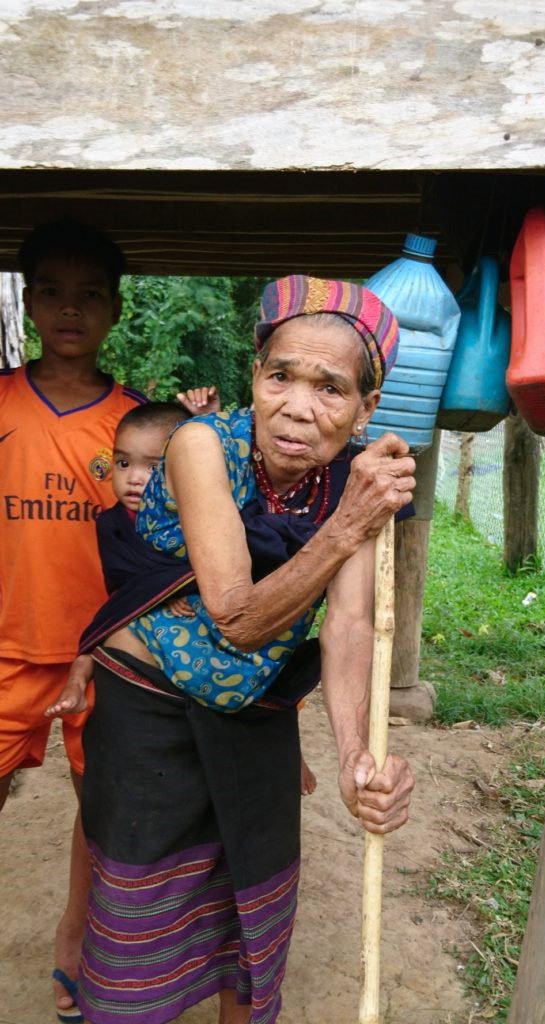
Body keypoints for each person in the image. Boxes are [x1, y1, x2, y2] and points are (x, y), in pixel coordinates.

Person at [75, 275, 417, 1024]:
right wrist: (348, 524)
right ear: (253, 377)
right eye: (280, 377)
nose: (297, 406)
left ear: (366, 409)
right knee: (141, 889)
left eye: (330, 388)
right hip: (149, 704)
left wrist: (355, 757)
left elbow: (350, 622)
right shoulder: (201, 445)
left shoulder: (355, 482)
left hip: (255, 705)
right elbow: (236, 616)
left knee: (254, 886)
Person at [0, 218, 153, 1021]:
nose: (70, 309)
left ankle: (74, 941)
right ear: (28, 302)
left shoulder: (137, 428)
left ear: (115, 309)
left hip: (107, 657)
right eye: (53, 292)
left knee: (103, 809)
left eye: (89, 295)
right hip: (6, 648)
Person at [47, 396, 318, 797]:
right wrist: (162, 593)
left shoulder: (203, 504)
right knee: (99, 634)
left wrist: (186, 585)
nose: (135, 478)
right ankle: (75, 685)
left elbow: (225, 553)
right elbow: (127, 581)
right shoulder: (112, 523)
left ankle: (289, 751)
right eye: (123, 464)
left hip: (224, 616)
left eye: (153, 466)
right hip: (142, 611)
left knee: (273, 663)